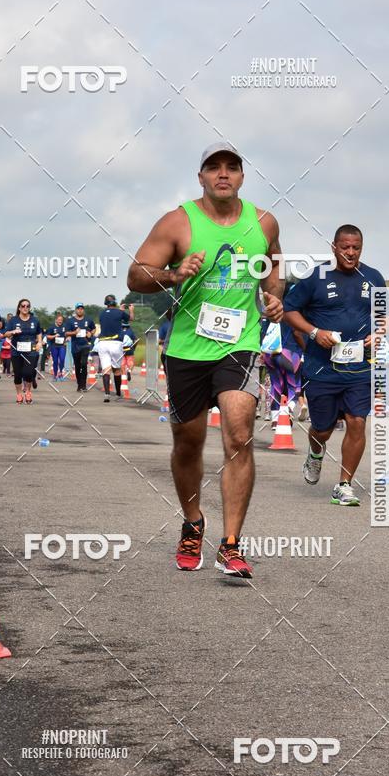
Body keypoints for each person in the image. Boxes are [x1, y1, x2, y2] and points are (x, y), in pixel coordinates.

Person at [128, 141, 283, 578]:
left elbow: (274, 266)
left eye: (231, 168)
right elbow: (137, 274)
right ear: (200, 177)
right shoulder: (179, 222)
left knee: (239, 430)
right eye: (213, 168)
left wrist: (273, 298)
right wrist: (175, 274)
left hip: (240, 343)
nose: (223, 174)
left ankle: (231, 544)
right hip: (187, 349)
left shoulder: (264, 222)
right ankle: (193, 522)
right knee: (188, 441)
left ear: (241, 177)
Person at [283, 224, 386, 507]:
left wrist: (379, 331)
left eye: (356, 248)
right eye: (345, 247)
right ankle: (316, 452)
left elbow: (388, 315)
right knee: (323, 428)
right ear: (334, 247)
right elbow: (289, 310)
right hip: (321, 368)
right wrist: (315, 333)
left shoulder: (374, 277)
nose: (350, 253)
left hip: (360, 368)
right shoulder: (316, 278)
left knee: (357, 421)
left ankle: (344, 485)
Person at [97, 296, 134, 401]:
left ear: (106, 303)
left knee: (106, 370)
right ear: (115, 303)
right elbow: (131, 319)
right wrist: (130, 310)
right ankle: (118, 394)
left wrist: (120, 310)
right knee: (117, 370)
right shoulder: (119, 312)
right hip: (115, 343)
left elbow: (110, 320)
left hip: (103, 343)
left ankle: (107, 394)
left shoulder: (102, 313)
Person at [5, 299, 43, 404]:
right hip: (17, 351)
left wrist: (39, 342)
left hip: (31, 350)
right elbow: (6, 334)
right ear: (19, 307)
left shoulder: (35, 320)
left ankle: (28, 392)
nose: (25, 308)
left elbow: (39, 332)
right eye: (23, 306)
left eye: (27, 306)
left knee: (29, 372)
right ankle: (19, 394)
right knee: (18, 374)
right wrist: (13, 331)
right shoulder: (13, 320)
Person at [65, 302, 96, 391]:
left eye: (81, 308)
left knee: (84, 364)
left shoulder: (88, 320)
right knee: (78, 366)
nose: (80, 310)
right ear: (75, 310)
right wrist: (74, 333)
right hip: (75, 346)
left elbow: (94, 328)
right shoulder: (70, 321)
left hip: (85, 345)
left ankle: (84, 385)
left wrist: (91, 333)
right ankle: (79, 384)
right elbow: (66, 332)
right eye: (78, 308)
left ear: (83, 310)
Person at [46, 313, 67, 380]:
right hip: (54, 346)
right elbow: (47, 336)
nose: (60, 321)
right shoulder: (52, 327)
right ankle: (55, 375)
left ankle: (60, 373)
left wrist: (68, 338)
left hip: (62, 346)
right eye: (59, 320)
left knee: (62, 359)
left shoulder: (64, 326)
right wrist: (54, 336)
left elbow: (68, 334)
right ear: (56, 320)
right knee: (55, 361)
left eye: (61, 320)